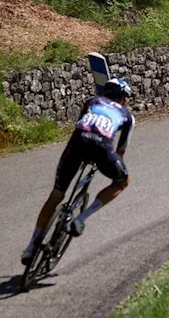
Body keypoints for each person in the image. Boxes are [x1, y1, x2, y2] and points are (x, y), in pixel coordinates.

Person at [21, 78, 134, 265]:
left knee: (57, 194)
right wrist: (112, 161)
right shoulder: (127, 116)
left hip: (77, 145)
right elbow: (121, 150)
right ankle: (81, 219)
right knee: (123, 181)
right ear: (123, 98)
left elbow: (79, 125)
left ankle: (31, 247)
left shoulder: (91, 101)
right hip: (102, 149)